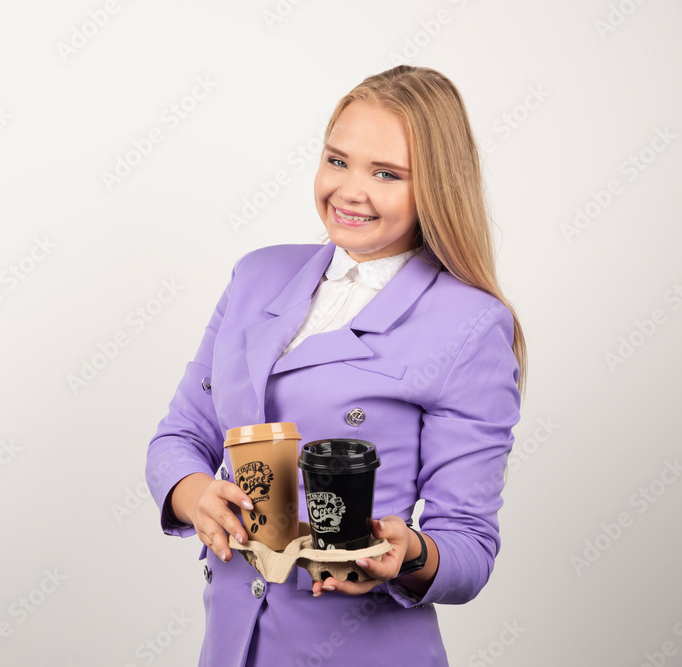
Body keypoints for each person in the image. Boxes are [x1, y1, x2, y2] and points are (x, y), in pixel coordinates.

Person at [145, 65, 527, 666]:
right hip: (232, 647)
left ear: (436, 186)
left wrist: (411, 554)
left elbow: (470, 546)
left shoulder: (470, 324)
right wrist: (195, 496)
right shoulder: (256, 274)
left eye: (386, 174)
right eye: (338, 160)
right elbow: (180, 436)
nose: (351, 190)